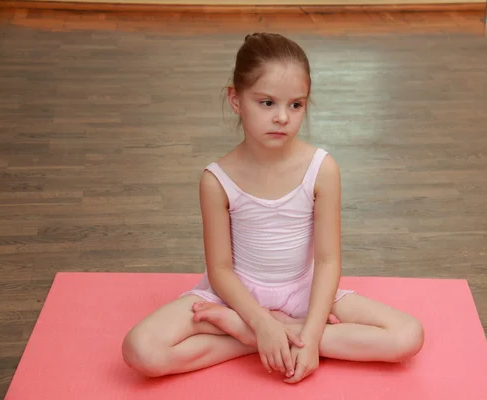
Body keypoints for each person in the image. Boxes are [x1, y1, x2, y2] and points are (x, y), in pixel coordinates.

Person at [121, 32, 424, 384]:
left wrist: (309, 335)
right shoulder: (216, 179)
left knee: (407, 335)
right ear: (236, 99)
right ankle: (260, 338)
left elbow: (327, 261)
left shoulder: (322, 169)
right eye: (267, 103)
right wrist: (259, 322)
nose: (282, 117)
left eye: (295, 104)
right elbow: (219, 269)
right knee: (140, 349)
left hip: (304, 292)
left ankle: (265, 337)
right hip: (234, 297)